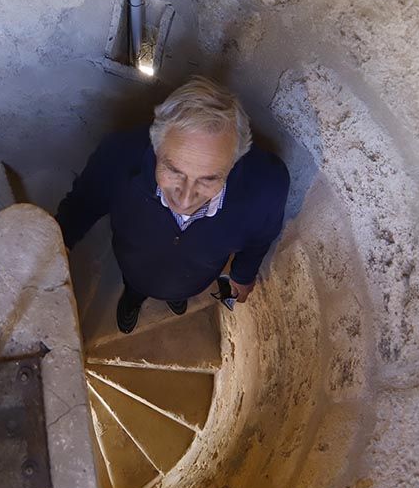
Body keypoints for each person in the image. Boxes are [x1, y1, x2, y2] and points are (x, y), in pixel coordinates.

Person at [55, 76, 289, 333]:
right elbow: (84, 202)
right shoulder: (118, 156)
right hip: (135, 268)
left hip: (197, 277)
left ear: (235, 162)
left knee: (181, 290)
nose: (186, 200)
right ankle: (133, 297)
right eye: (173, 170)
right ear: (156, 147)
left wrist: (243, 275)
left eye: (209, 178)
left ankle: (177, 297)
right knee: (136, 285)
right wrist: (58, 244)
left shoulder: (267, 188)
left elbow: (261, 237)